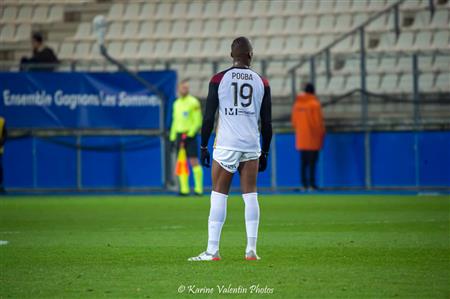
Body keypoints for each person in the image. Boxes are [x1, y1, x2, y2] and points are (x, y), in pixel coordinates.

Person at [188, 37, 272, 261]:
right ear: (250, 55)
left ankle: (212, 251)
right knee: (251, 194)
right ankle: (251, 250)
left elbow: (208, 118)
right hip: (251, 144)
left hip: (226, 144)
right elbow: (267, 123)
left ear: (231, 55)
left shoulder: (218, 79)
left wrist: (203, 145)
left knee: (218, 193)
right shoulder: (262, 82)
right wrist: (265, 152)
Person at [169, 80, 203, 196]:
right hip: (179, 135)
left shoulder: (194, 102)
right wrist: (173, 138)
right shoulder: (176, 103)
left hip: (189, 135)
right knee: (182, 163)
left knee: (194, 161)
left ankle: (198, 189)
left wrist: (190, 134)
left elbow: (197, 120)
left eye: (186, 88)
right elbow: (175, 122)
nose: (185, 89)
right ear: (178, 89)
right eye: (183, 88)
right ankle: (184, 189)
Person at [291, 83, 325, 191]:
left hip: (301, 139)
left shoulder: (297, 105)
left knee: (303, 163)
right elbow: (318, 123)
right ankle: (312, 185)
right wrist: (321, 135)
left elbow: (294, 122)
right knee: (312, 163)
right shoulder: (315, 104)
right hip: (313, 139)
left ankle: (304, 185)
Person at [0, 117, 7, 193]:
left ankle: (1, 185)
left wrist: (1, 142)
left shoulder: (2, 121)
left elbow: (5, 134)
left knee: (0, 168)